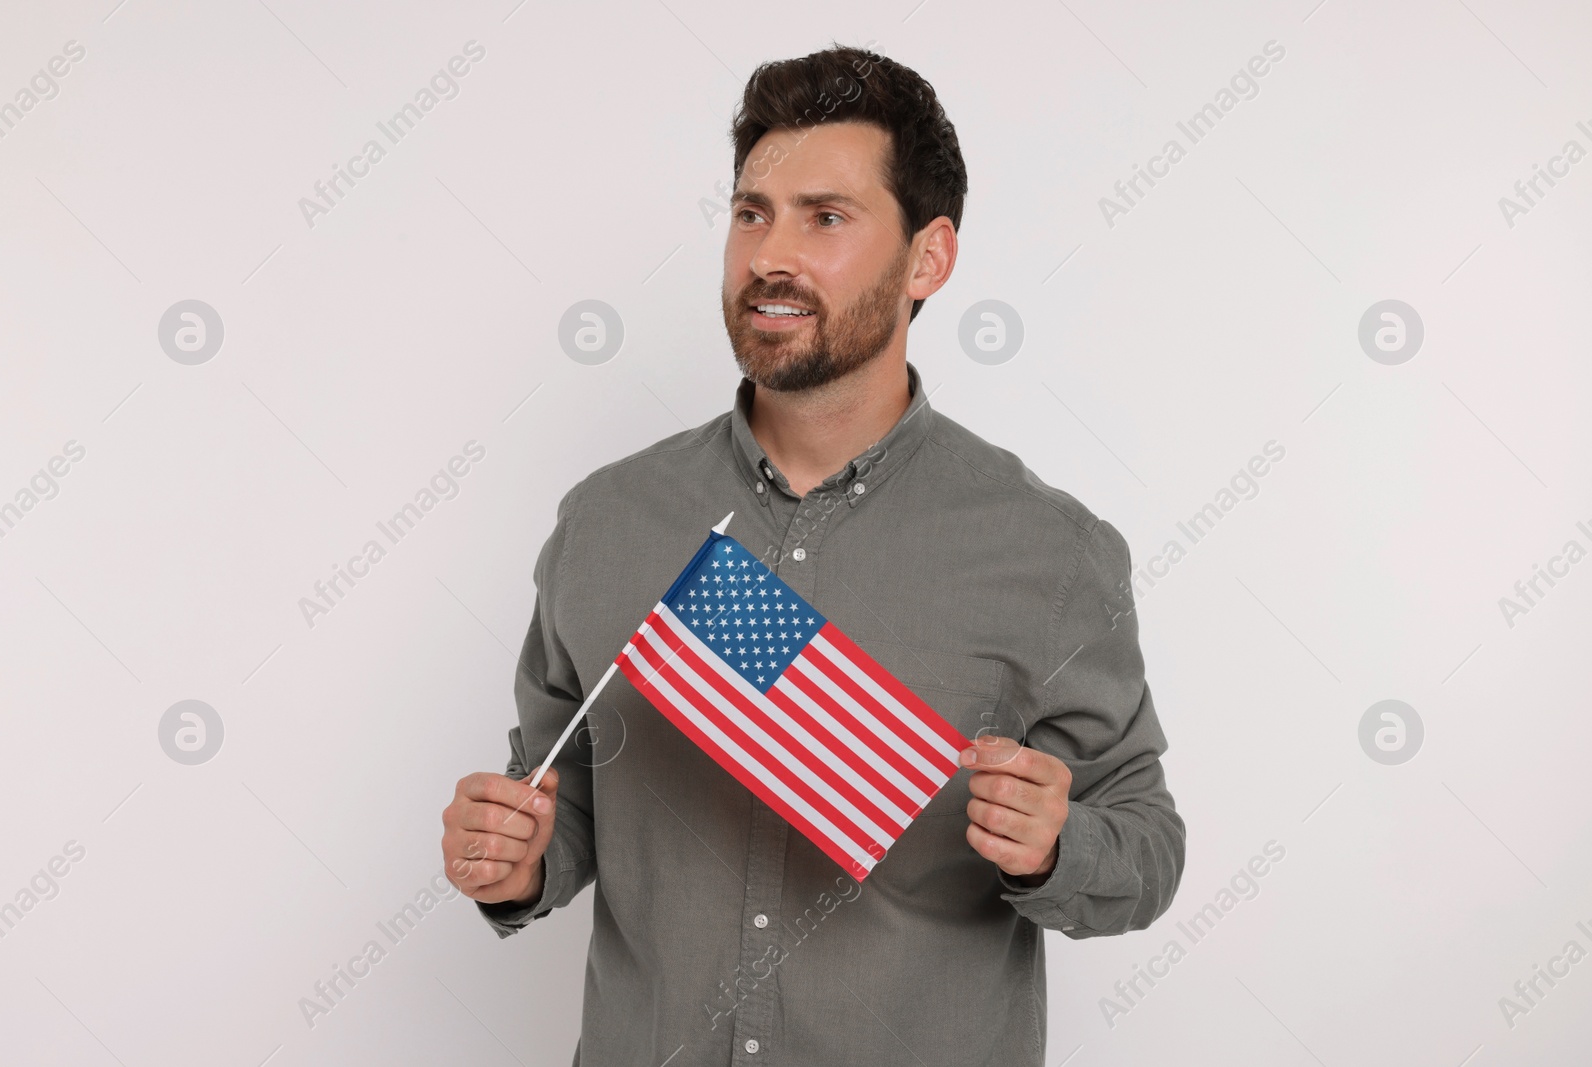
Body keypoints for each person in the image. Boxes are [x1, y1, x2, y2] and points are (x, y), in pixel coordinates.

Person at [441, 43, 1184, 1066]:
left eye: (824, 217)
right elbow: (561, 803)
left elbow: (1145, 842)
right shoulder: (609, 520)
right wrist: (516, 859)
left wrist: (1060, 846)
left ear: (928, 258)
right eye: (752, 212)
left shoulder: (1047, 552)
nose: (767, 255)